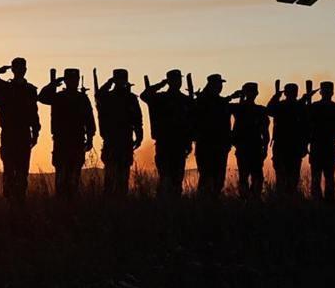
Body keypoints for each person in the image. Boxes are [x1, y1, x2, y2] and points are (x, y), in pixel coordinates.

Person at [0, 58, 41, 204]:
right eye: (17, 68)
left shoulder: (30, 90)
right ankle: (9, 201)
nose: (20, 71)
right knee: (9, 170)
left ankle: (20, 201)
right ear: (13, 70)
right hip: (9, 133)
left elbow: (34, 113)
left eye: (22, 68)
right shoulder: (4, 87)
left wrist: (35, 133)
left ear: (25, 70)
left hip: (24, 134)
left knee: (22, 171)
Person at [39, 68, 96, 200]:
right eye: (70, 79)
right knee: (61, 177)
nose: (73, 82)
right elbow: (41, 97)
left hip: (77, 141)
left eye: (75, 79)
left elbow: (89, 120)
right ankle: (61, 204)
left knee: (74, 178)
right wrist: (52, 84)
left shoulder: (82, 98)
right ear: (65, 81)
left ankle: (71, 204)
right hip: (61, 142)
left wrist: (90, 138)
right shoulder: (58, 97)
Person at [140, 69, 194, 199]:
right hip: (164, 144)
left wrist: (189, 142)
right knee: (165, 178)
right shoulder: (160, 98)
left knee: (177, 179)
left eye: (179, 80)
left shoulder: (185, 100)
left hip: (180, 145)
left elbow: (190, 122)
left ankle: (174, 205)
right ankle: (163, 205)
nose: (178, 82)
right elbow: (144, 95)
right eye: (174, 80)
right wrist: (160, 84)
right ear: (169, 81)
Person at [95, 68, 143, 198]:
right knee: (110, 177)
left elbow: (137, 119)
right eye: (119, 79)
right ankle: (110, 201)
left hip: (125, 140)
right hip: (111, 140)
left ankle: (120, 201)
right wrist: (109, 82)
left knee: (123, 176)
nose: (121, 82)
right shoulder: (109, 96)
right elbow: (98, 95)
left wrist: (139, 136)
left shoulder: (130, 98)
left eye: (122, 79)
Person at [193, 74, 240, 199]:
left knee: (218, 178)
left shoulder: (220, 101)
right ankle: (204, 203)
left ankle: (213, 202)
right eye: (218, 84)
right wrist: (230, 97)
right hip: (206, 145)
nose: (220, 87)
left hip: (220, 146)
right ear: (211, 85)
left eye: (220, 84)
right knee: (206, 177)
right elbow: (213, 106)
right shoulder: (202, 100)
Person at [266, 83, 311, 197]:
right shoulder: (299, 106)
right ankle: (287, 199)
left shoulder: (284, 106)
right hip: (287, 146)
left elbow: (306, 128)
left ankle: (285, 200)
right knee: (288, 177)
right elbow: (269, 110)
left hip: (289, 146)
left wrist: (276, 96)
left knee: (287, 177)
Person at [230, 82, 270, 200]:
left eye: (252, 92)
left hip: (254, 148)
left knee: (255, 177)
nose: (251, 94)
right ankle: (248, 200)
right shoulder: (241, 108)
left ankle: (251, 200)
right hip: (245, 148)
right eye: (249, 92)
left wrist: (265, 148)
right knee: (247, 177)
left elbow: (265, 132)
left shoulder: (257, 110)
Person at [308, 81, 335, 202]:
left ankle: (320, 202)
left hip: (321, 147)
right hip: (325, 147)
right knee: (325, 178)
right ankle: (326, 203)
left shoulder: (314, 107)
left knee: (320, 178)